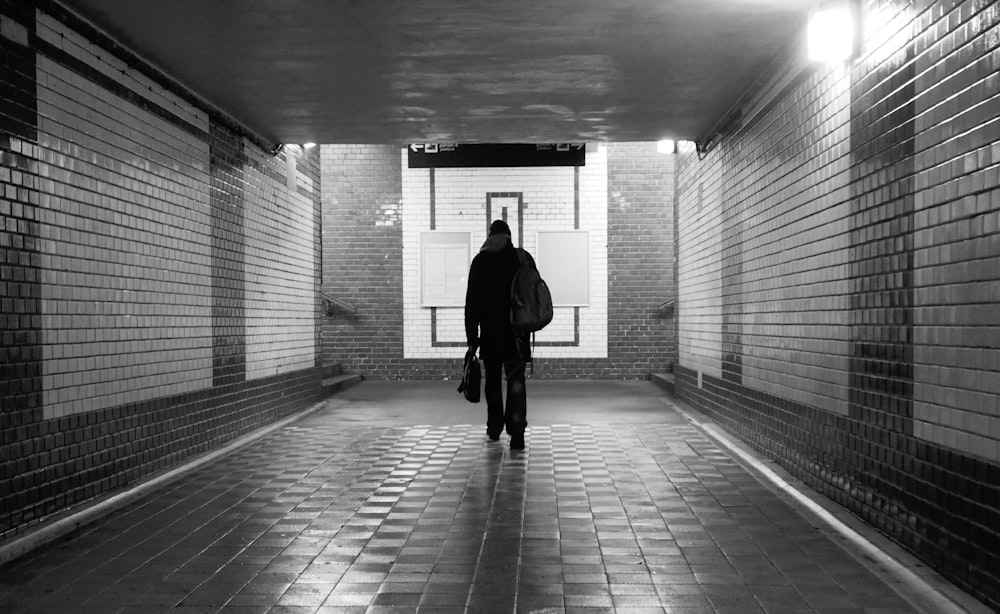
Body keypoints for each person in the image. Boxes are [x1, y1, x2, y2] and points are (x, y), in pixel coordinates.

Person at [464, 220, 532, 450]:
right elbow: (532, 296)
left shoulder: (480, 261)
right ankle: (517, 433)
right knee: (516, 382)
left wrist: (472, 338)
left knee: (492, 382)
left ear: (490, 236)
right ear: (509, 237)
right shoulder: (522, 258)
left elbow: (471, 303)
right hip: (517, 334)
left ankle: (494, 427)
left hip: (491, 335)